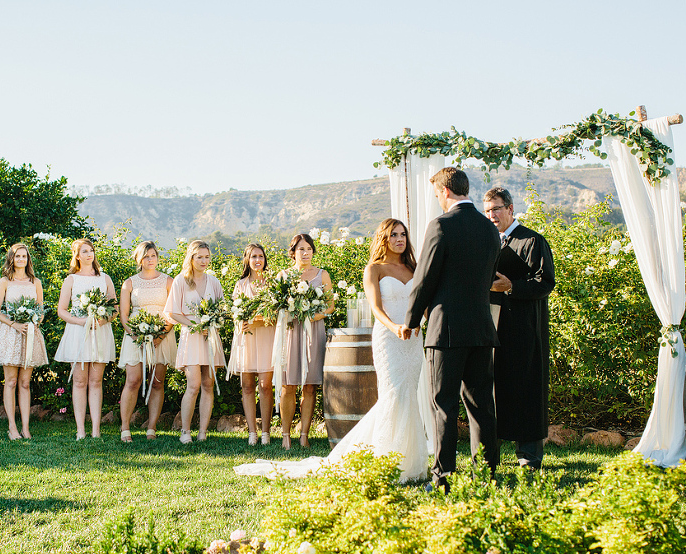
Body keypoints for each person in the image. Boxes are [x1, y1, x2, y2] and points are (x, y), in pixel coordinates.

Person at [235, 218, 430, 482]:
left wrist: (421, 320)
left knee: (409, 393)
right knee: (392, 394)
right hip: (389, 335)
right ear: (384, 237)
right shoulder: (374, 268)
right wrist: (394, 327)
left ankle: (410, 459)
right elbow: (376, 307)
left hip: (413, 339)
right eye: (394, 234)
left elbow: (424, 299)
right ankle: (383, 455)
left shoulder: (413, 268)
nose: (400, 239)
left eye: (403, 234)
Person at [404, 167, 502, 491]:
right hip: (482, 329)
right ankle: (486, 477)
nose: (437, 201)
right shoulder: (490, 230)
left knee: (443, 406)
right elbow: (487, 279)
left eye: (436, 195)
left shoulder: (441, 225)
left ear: (445, 191)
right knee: (482, 407)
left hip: (446, 331)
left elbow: (424, 280)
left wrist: (411, 320)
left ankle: (443, 479)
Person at [483, 187, 555, 469]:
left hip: (525, 328)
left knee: (526, 389)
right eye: (487, 211)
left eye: (496, 209)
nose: (491, 216)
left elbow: (545, 282)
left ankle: (529, 455)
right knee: (494, 390)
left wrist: (511, 286)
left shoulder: (533, 241)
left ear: (510, 209)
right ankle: (492, 453)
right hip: (493, 328)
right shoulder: (487, 242)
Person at [54, 238, 118, 440]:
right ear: (77, 256)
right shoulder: (71, 280)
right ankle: (80, 429)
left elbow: (114, 308)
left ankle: (96, 429)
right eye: (84, 251)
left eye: (91, 250)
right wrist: (80, 321)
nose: (89, 254)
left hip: (100, 331)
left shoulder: (104, 278)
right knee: (80, 382)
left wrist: (103, 319)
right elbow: (61, 311)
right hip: (78, 332)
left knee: (96, 381)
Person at [163, 240, 225, 444]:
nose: (204, 261)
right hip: (191, 336)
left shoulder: (213, 282)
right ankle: (185, 431)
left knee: (208, 384)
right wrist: (195, 323)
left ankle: (203, 432)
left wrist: (212, 322)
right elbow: (172, 312)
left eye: (207, 257)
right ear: (191, 257)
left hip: (210, 336)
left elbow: (221, 308)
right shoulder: (181, 280)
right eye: (199, 257)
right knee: (194, 384)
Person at [276, 233, 334, 450]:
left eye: (309, 248)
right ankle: (285, 435)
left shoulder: (322, 275)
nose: (306, 252)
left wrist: (314, 315)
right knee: (288, 384)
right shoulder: (284, 276)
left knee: (309, 386)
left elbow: (330, 306)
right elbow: (277, 305)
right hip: (291, 331)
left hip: (313, 330)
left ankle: (304, 435)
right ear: (293, 253)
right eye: (301, 249)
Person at [0, 243, 48, 440]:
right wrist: (14, 324)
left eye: (24, 256)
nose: (21, 259)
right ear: (11, 259)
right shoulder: (5, 281)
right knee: (11, 381)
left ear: (28, 259)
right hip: (10, 334)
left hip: (29, 335)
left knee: (24, 383)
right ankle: (12, 427)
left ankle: (26, 428)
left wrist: (33, 321)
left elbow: (40, 312)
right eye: (17, 256)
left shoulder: (35, 282)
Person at [117, 241, 176, 442]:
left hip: (162, 336)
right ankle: (125, 428)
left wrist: (160, 336)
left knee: (157, 382)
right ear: (139, 259)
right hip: (135, 336)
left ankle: (151, 428)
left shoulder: (169, 281)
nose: (150, 260)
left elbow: (173, 313)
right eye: (146, 256)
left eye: (153, 256)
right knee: (133, 380)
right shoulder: (130, 283)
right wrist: (135, 336)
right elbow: (124, 315)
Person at [228, 243, 276, 446]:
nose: (258, 260)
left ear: (265, 259)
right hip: (246, 338)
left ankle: (266, 432)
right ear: (247, 260)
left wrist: (257, 320)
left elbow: (277, 314)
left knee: (265, 386)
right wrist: (242, 321)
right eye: (254, 256)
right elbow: (235, 313)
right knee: (247, 386)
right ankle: (252, 432)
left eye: (261, 256)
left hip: (267, 337)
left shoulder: (273, 283)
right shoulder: (241, 285)